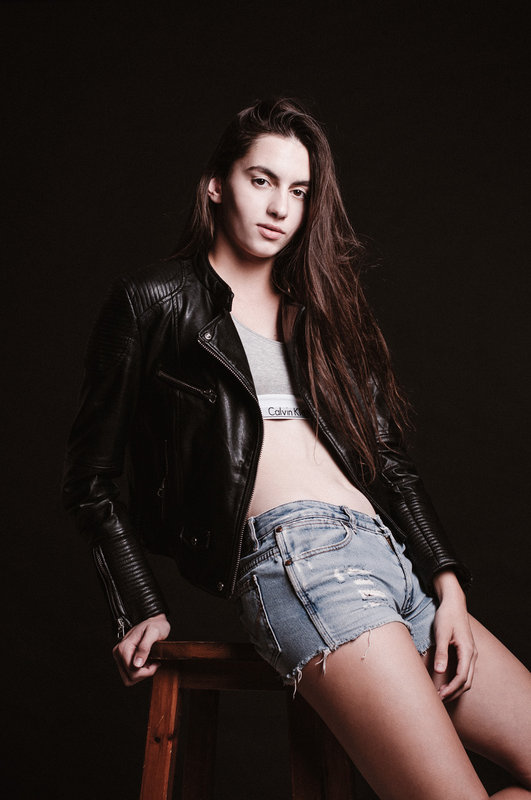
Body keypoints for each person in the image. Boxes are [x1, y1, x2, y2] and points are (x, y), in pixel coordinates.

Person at [63, 98, 530, 799]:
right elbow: (91, 478)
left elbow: (388, 462)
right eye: (261, 180)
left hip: (395, 566)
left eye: (299, 190)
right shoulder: (154, 301)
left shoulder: (323, 313)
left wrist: (448, 585)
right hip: (303, 563)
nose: (280, 206)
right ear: (215, 184)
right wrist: (138, 602)